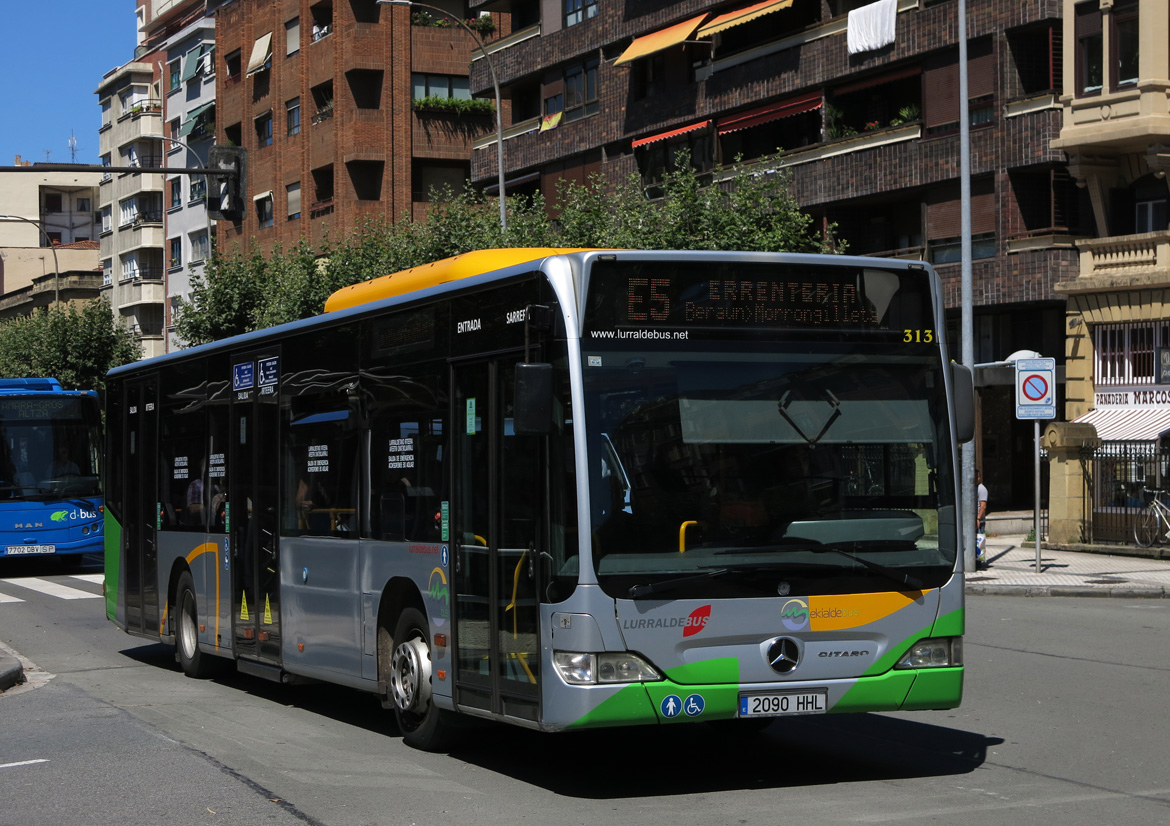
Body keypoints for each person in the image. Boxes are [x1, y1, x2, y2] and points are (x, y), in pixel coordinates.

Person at [976, 469, 989, 570]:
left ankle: (979, 562)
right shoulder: (971, 488)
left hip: (978, 520)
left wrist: (978, 518)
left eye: (977, 477)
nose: (976, 479)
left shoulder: (981, 489)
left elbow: (983, 506)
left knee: (979, 540)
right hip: (972, 520)